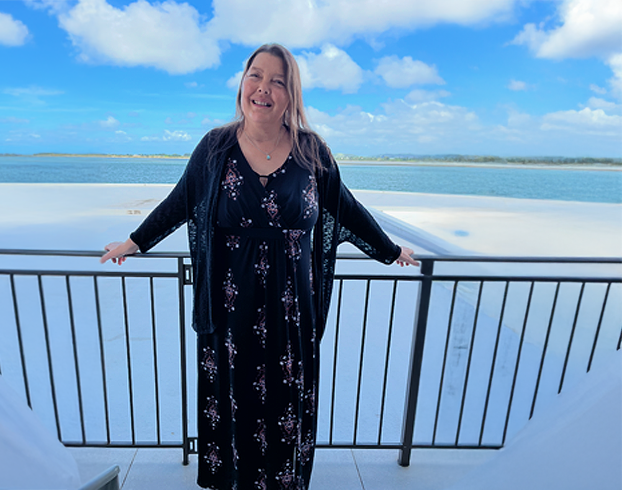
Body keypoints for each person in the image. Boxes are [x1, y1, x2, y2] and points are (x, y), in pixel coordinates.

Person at [101, 43, 418, 490]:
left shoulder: (312, 152)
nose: (263, 88)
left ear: (291, 95)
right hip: (232, 313)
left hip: (292, 314)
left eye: (278, 81)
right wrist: (134, 242)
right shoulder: (215, 147)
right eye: (256, 75)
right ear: (242, 83)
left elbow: (346, 208)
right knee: (237, 405)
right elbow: (180, 202)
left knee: (286, 407)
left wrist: (388, 249)